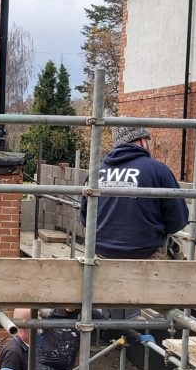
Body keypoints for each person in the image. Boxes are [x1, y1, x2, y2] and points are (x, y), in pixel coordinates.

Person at [79, 126, 189, 332]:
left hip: (101, 257)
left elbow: (85, 219)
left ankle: (117, 325)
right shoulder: (157, 170)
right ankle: (170, 320)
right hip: (145, 255)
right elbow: (178, 220)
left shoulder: (95, 172)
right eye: (149, 139)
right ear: (140, 141)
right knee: (178, 256)